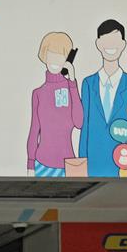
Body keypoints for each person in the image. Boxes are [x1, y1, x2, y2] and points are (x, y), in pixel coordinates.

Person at [78, 19, 127, 177]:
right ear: (98, 44)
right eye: (106, 41)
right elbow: (85, 127)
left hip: (123, 161)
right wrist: (82, 161)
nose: (111, 46)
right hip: (93, 162)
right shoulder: (88, 83)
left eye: (115, 41)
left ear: (123, 44)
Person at [26, 31, 84, 178]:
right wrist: (30, 164)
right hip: (42, 165)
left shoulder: (71, 88)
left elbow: (79, 123)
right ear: (44, 56)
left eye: (60, 55)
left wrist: (72, 82)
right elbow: (34, 130)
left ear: (68, 59)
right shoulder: (38, 93)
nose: (54, 60)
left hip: (69, 165)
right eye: (51, 54)